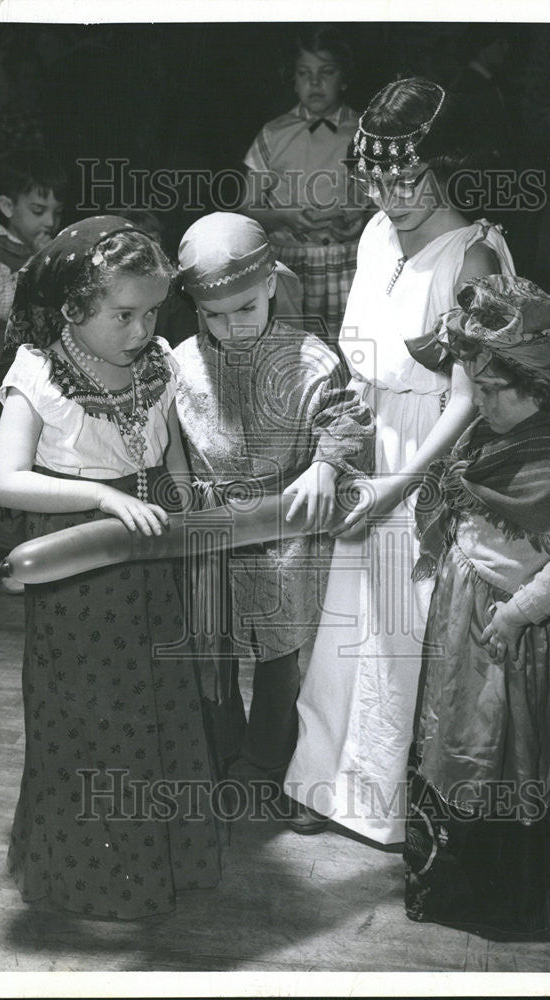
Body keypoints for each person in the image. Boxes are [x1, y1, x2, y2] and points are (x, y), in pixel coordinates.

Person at [284, 77, 515, 841]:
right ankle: (321, 779)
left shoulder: (475, 254)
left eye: (406, 177)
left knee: (400, 633)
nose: (389, 194)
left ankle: (379, 799)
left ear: (445, 163)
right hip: (369, 443)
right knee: (345, 619)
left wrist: (398, 488)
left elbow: (468, 399)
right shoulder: (375, 233)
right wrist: (334, 453)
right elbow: (357, 364)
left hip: (431, 462)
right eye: (374, 177)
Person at [0, 217, 222, 919]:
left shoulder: (155, 363)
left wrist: (186, 487)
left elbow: (169, 440)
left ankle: (163, 857)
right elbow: (3, 480)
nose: (141, 328)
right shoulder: (40, 373)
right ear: (72, 309)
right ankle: (94, 876)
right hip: (79, 563)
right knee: (94, 710)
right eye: (124, 314)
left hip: (151, 552)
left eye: (153, 312)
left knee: (159, 698)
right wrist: (99, 495)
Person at [404, 274, 550, 935]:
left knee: (495, 748)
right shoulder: (494, 433)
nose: (479, 401)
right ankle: (442, 868)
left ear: (539, 387)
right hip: (465, 606)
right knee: (451, 730)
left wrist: (520, 612)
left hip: (511, 625)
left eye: (493, 390)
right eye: (476, 386)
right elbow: (460, 498)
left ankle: (491, 889)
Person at [173, 212, 374, 789]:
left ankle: (267, 761)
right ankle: (218, 751)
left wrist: (324, 463)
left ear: (269, 285)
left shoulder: (313, 359)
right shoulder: (180, 362)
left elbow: (346, 419)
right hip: (209, 528)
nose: (231, 327)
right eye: (213, 316)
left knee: (282, 654)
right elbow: (168, 441)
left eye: (245, 310)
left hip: (287, 531)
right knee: (210, 646)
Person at [240, 25, 369, 340]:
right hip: (291, 261)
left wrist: (361, 219)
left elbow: (384, 204)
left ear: (345, 78)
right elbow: (247, 209)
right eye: (304, 73)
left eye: (327, 72)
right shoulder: (273, 133)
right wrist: (286, 216)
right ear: (293, 81)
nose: (315, 82)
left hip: (350, 260)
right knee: (293, 348)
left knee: (350, 345)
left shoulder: (365, 130)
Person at [0, 152, 67, 570]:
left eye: (55, 211)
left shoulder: (37, 249)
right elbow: (2, 304)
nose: (48, 221)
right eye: (38, 210)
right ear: (6, 207)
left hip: (27, 371)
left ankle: (14, 542)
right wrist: (40, 260)